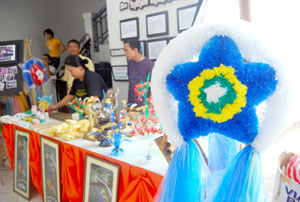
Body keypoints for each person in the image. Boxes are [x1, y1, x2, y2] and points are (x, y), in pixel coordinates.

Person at [123, 38, 154, 106]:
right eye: (124, 50)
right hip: (131, 105)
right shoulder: (130, 63)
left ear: (135, 50)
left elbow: (153, 88)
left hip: (143, 106)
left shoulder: (149, 65)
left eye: (126, 50)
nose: (125, 53)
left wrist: (150, 107)